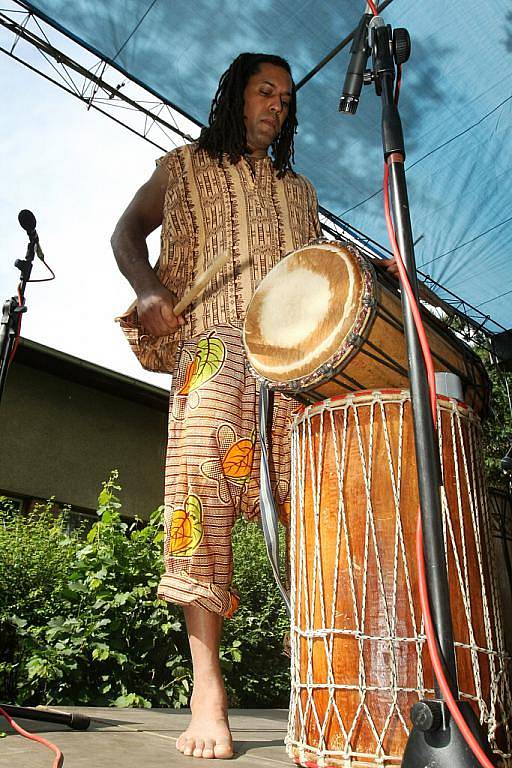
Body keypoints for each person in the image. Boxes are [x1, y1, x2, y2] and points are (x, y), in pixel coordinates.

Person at [111, 52, 321, 760]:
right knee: (199, 492)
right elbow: (124, 235)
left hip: (292, 355)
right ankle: (208, 688)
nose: (277, 106)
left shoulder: (303, 194)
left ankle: (322, 681)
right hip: (212, 342)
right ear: (234, 95)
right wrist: (147, 290)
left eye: (286, 99)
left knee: (318, 504)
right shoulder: (180, 167)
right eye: (265, 92)